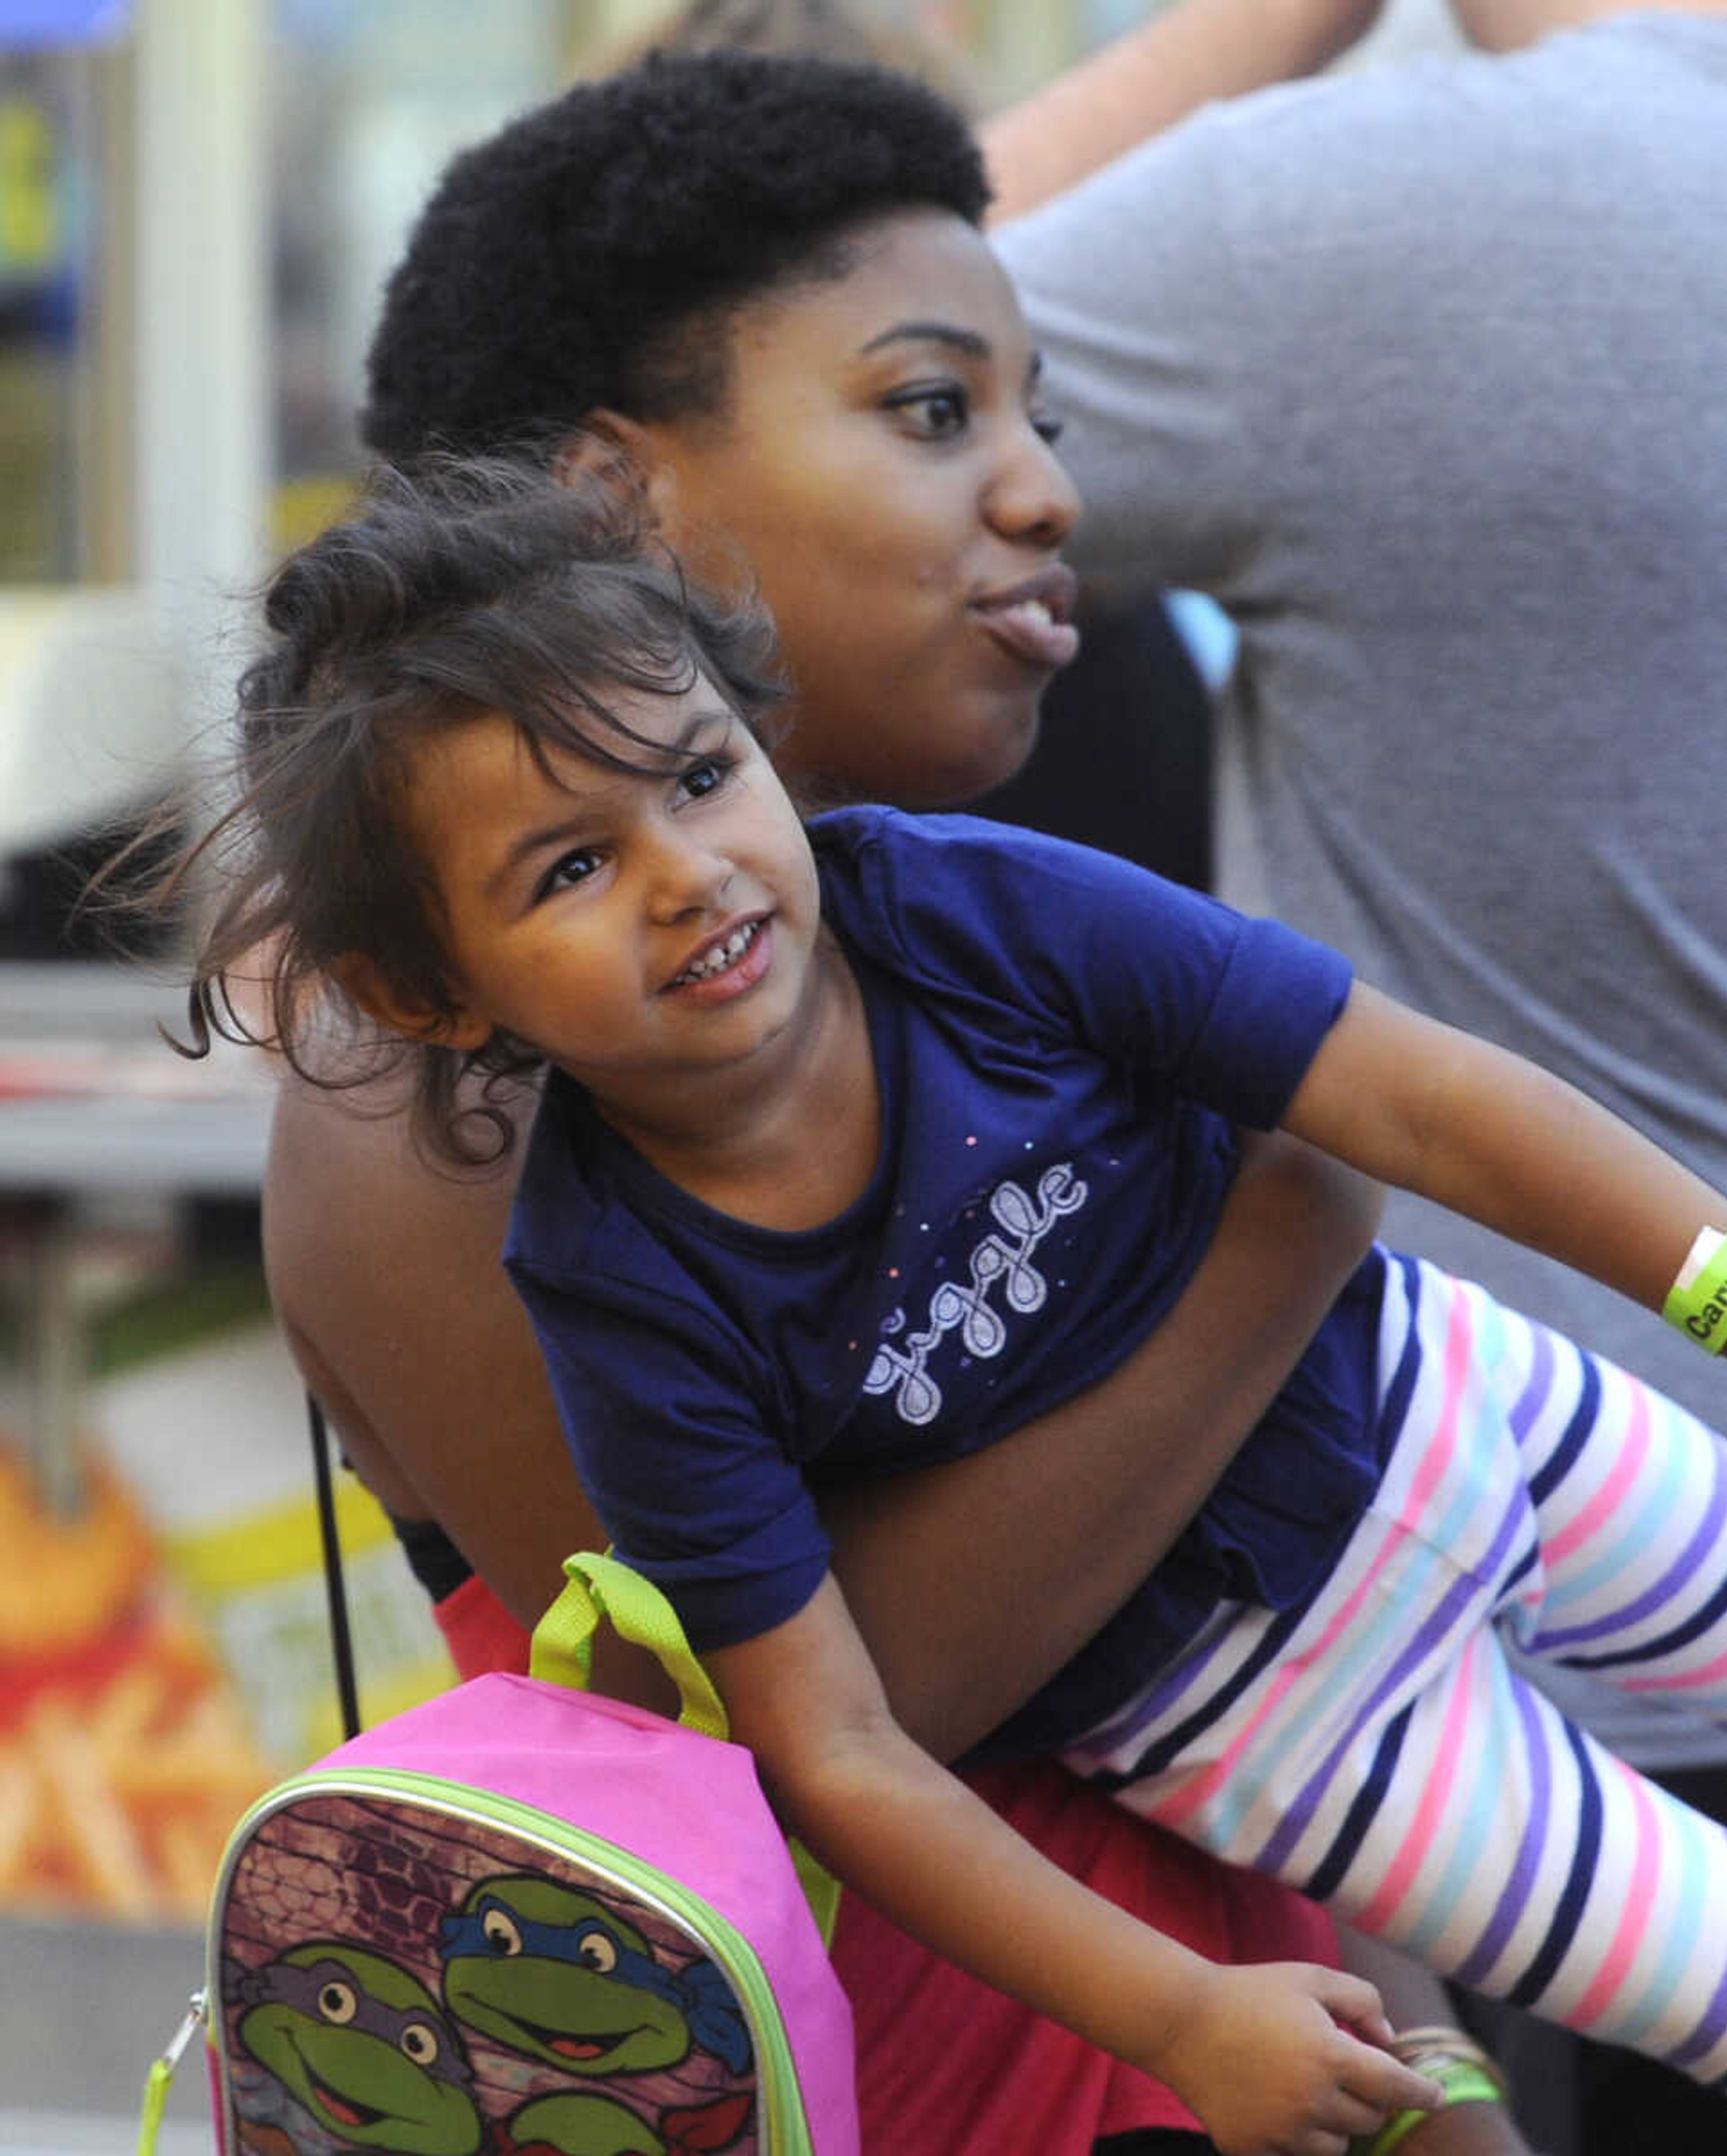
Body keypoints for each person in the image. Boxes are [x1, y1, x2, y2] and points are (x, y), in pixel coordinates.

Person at [263, 31, 1533, 2154]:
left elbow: (1265, 1647)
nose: (1041, 490)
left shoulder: (939, 944)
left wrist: (1432, 2065)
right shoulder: (434, 1089)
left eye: (1043, 413)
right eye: (932, 411)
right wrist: (1283, 1214)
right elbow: (830, 1714)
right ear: (617, 499)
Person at [178, 455, 1727, 2152]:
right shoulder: (617, 1304)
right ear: (428, 992)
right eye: (567, 870)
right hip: (1267, 1714)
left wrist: (1707, 1274)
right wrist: (1184, 2013)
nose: (687, 872)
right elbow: (837, 1752)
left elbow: (1408, 1092)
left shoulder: (971, 906)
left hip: (1453, 1392)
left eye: (702, 774)